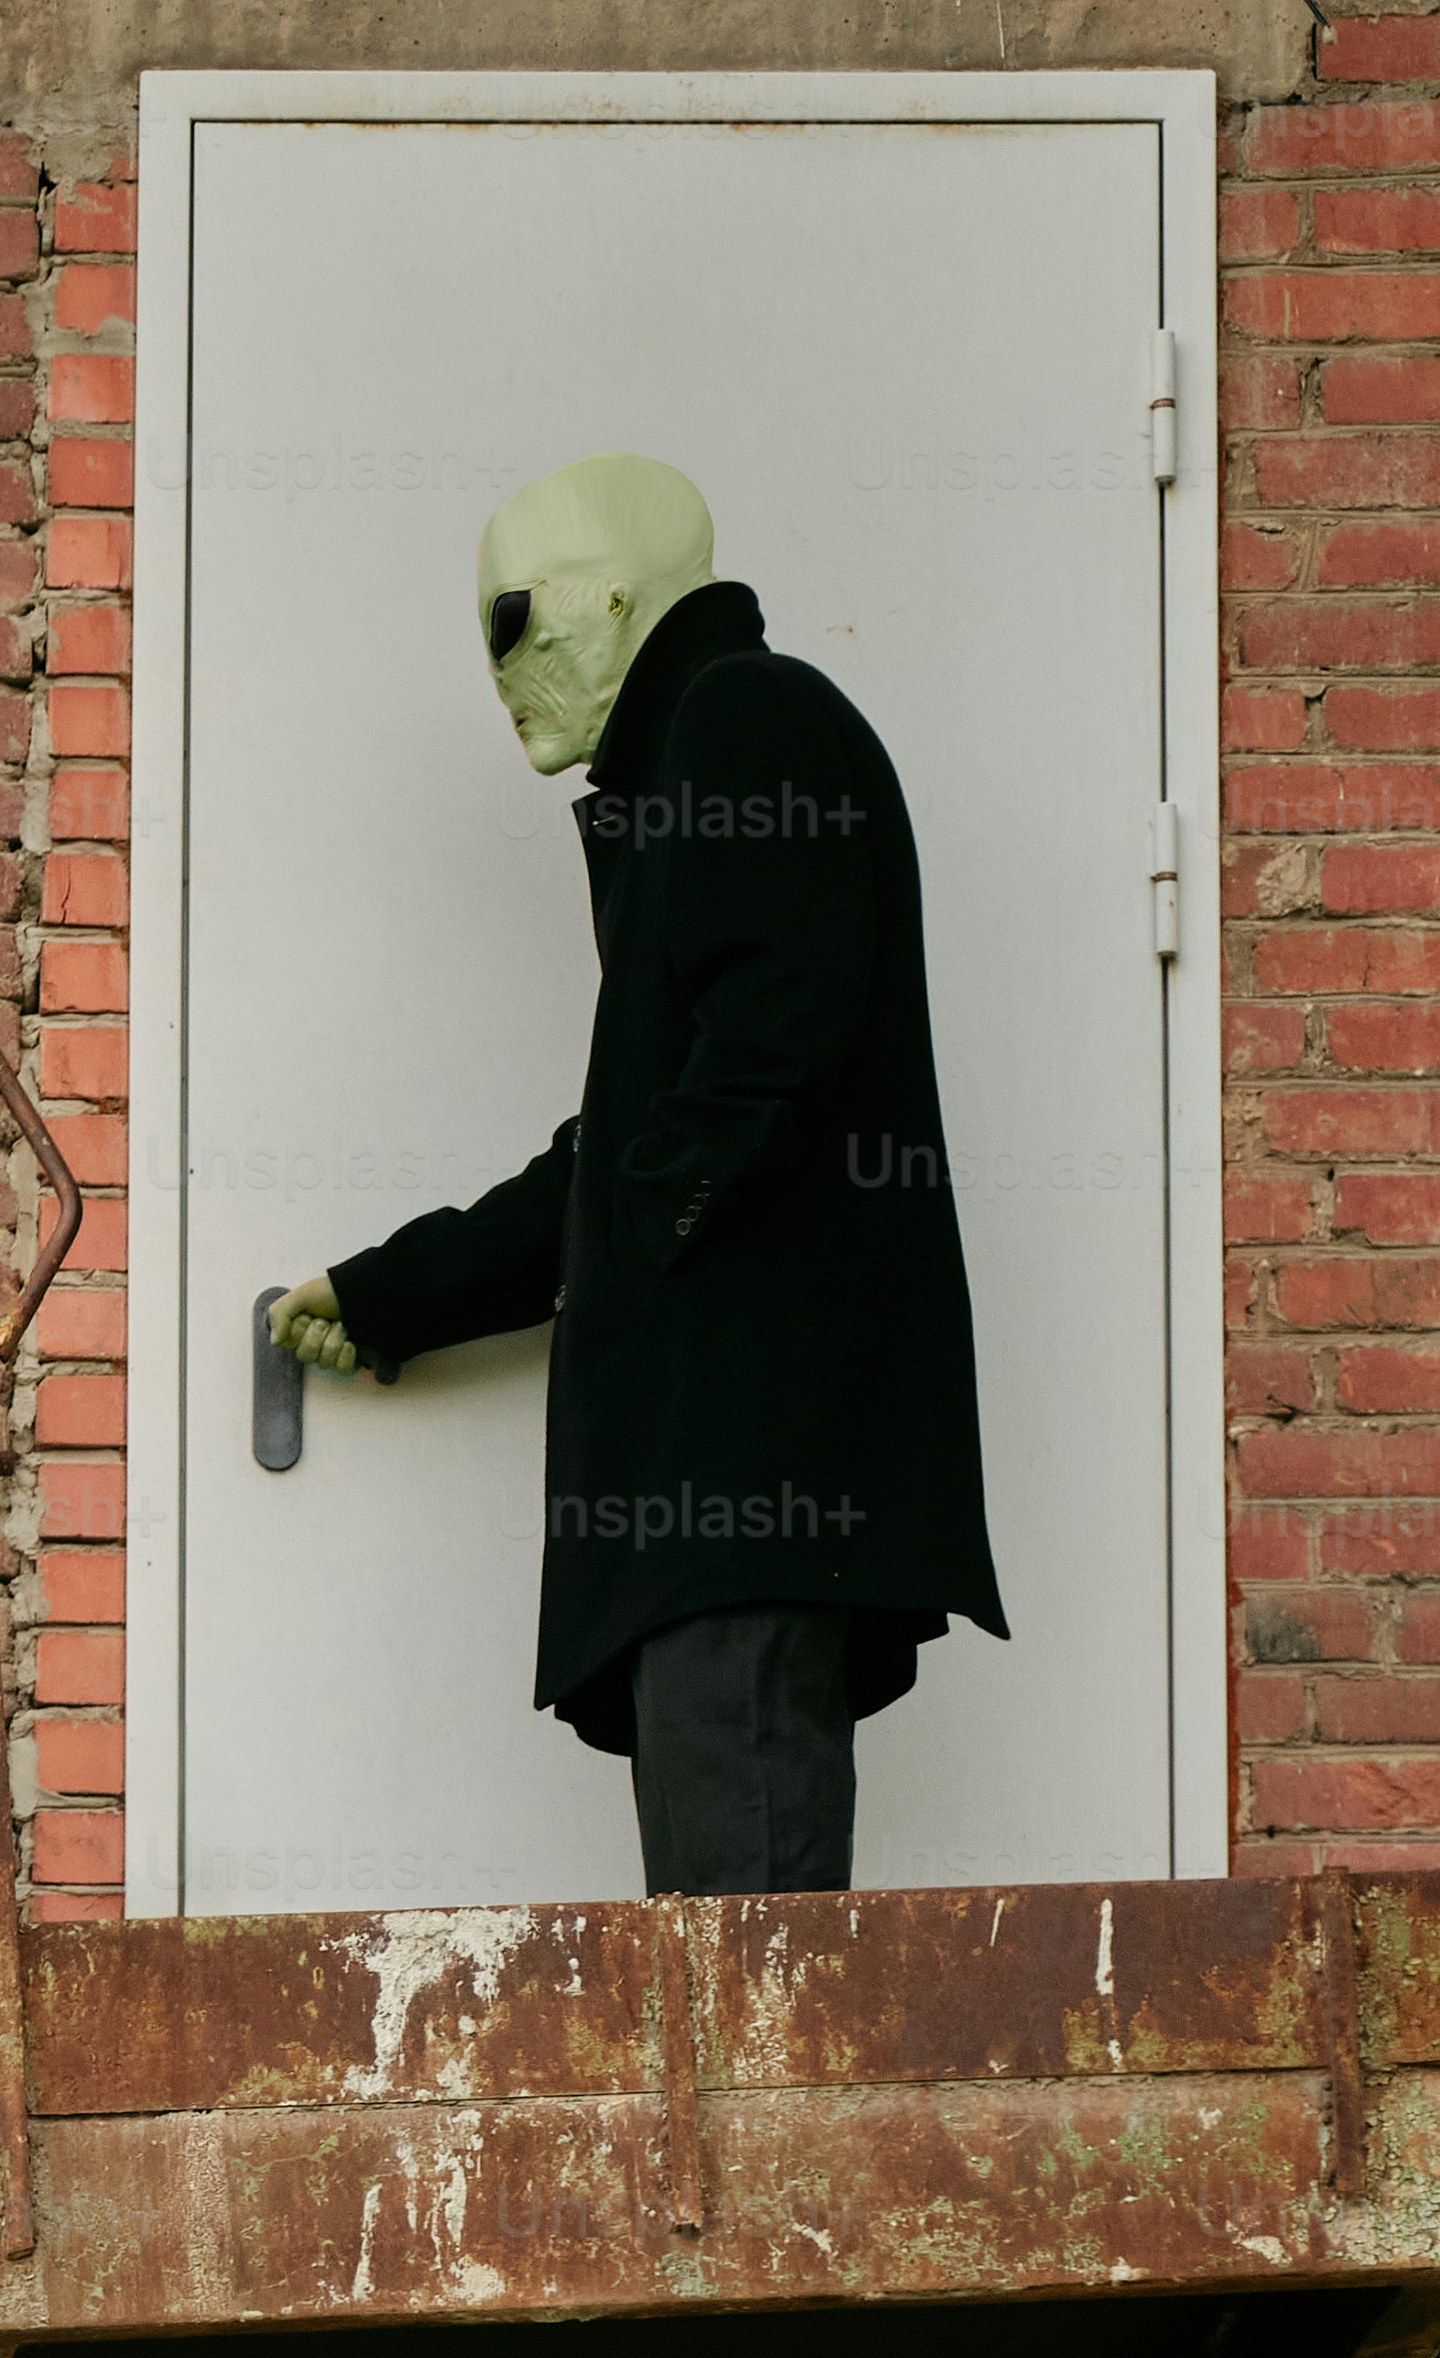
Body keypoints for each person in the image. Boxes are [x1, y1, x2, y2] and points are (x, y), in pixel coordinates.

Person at [264, 452, 1005, 1893]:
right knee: (731, 1976)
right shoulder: (693, 766)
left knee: (748, 1987)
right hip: (722, 1518)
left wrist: (645, 1263)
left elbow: (755, 1065)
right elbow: (637, 1138)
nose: (503, 675)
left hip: (741, 1501)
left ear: (614, 600)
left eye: (514, 623)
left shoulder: (748, 712)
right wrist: (396, 1292)